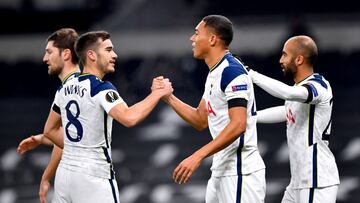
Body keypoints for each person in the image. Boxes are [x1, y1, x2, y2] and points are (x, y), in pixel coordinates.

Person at [42, 30, 173, 203]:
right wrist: (157, 94)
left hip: (65, 175)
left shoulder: (65, 88)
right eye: (109, 50)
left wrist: (79, 147)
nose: (114, 55)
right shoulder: (100, 88)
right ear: (91, 55)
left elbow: (49, 130)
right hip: (92, 176)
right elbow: (129, 117)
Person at [155, 15, 266, 203]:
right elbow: (200, 119)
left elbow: (239, 125)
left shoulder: (232, 71)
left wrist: (197, 156)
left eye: (197, 33)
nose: (192, 38)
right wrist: (168, 97)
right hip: (221, 168)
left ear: (213, 39)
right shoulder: (215, 72)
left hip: (240, 171)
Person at [248, 35, 340, 203]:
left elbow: (288, 94)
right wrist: (251, 117)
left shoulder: (319, 85)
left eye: (285, 55)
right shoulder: (298, 89)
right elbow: (286, 111)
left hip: (316, 180)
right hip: (299, 181)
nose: (280, 60)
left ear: (298, 59)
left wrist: (251, 75)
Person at [17, 28, 81, 203]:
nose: (45, 58)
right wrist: (41, 138)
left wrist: (46, 177)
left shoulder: (72, 90)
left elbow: (69, 142)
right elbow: (71, 136)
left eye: (49, 52)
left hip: (85, 177)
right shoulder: (69, 88)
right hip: (77, 178)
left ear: (66, 54)